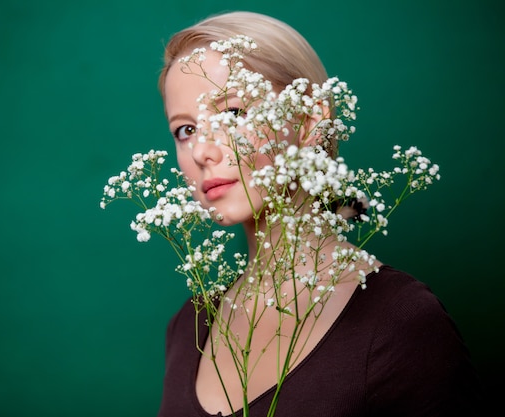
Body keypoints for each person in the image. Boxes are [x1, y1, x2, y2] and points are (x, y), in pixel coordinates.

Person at [155, 10, 482, 417]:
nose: (202, 151)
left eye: (232, 113)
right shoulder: (189, 327)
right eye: (185, 130)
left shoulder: (400, 321)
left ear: (310, 124)